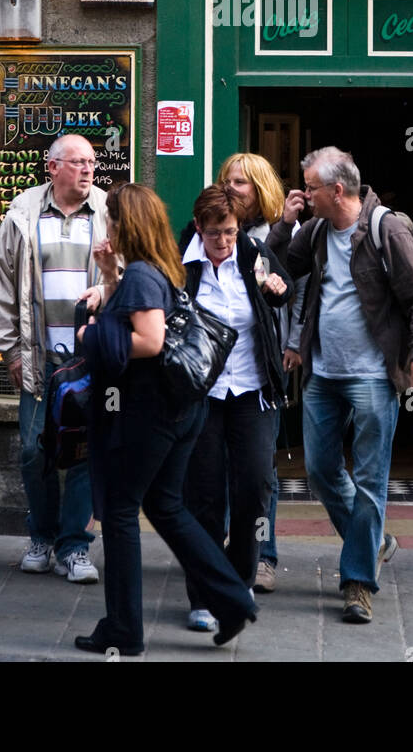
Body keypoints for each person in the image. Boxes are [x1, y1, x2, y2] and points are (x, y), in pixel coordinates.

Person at [74, 181, 258, 655]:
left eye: (111, 218)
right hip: (181, 410)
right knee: (166, 506)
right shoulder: (160, 268)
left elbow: (150, 340)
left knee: (120, 510)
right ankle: (233, 600)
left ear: (125, 224)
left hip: (151, 413)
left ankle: (123, 629)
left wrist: (91, 339)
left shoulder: (142, 274)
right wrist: (109, 277)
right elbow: (136, 314)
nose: (107, 225)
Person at [266, 145, 413, 625]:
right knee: (320, 471)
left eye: (310, 188)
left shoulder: (387, 229)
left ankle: (358, 581)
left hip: (372, 376)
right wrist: (284, 223)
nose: (304, 194)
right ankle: (373, 542)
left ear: (337, 190)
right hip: (323, 373)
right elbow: (276, 272)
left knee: (369, 481)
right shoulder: (316, 230)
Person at [0, 133, 112, 583]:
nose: (87, 169)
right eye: (77, 162)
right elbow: (2, 282)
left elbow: (126, 275)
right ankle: (40, 536)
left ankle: (74, 547)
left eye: (92, 162)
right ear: (53, 166)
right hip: (38, 355)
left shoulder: (108, 211)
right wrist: (9, 350)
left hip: (89, 359)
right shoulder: (23, 213)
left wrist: (106, 292)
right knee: (32, 449)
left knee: (83, 452)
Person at [182, 183, 291, 631]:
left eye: (230, 231)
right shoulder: (181, 262)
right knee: (204, 495)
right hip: (202, 394)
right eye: (214, 234)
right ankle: (204, 595)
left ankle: (240, 579)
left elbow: (282, 291)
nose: (223, 241)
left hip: (252, 390)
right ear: (198, 228)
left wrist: (276, 288)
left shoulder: (253, 253)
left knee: (255, 486)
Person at [216, 151, 291, 594]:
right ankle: (226, 552)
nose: (231, 187)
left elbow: (299, 293)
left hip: (265, 366)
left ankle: (263, 556)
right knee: (221, 466)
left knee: (262, 471)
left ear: (260, 189)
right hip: (217, 372)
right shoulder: (213, 234)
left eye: (240, 182)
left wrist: (293, 346)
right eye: (227, 180)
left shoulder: (280, 236)